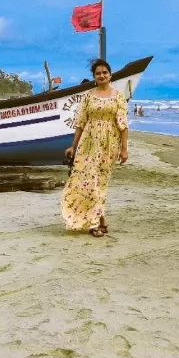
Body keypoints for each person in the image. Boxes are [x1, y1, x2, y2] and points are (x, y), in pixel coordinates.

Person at [61, 59, 129, 237]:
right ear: (94, 77)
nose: (101, 75)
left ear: (110, 75)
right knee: (89, 182)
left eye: (104, 72)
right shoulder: (88, 96)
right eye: (98, 73)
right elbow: (80, 123)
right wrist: (73, 146)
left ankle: (100, 220)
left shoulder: (118, 96)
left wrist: (124, 149)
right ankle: (96, 223)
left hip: (109, 145)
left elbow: (123, 124)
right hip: (88, 144)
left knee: (101, 183)